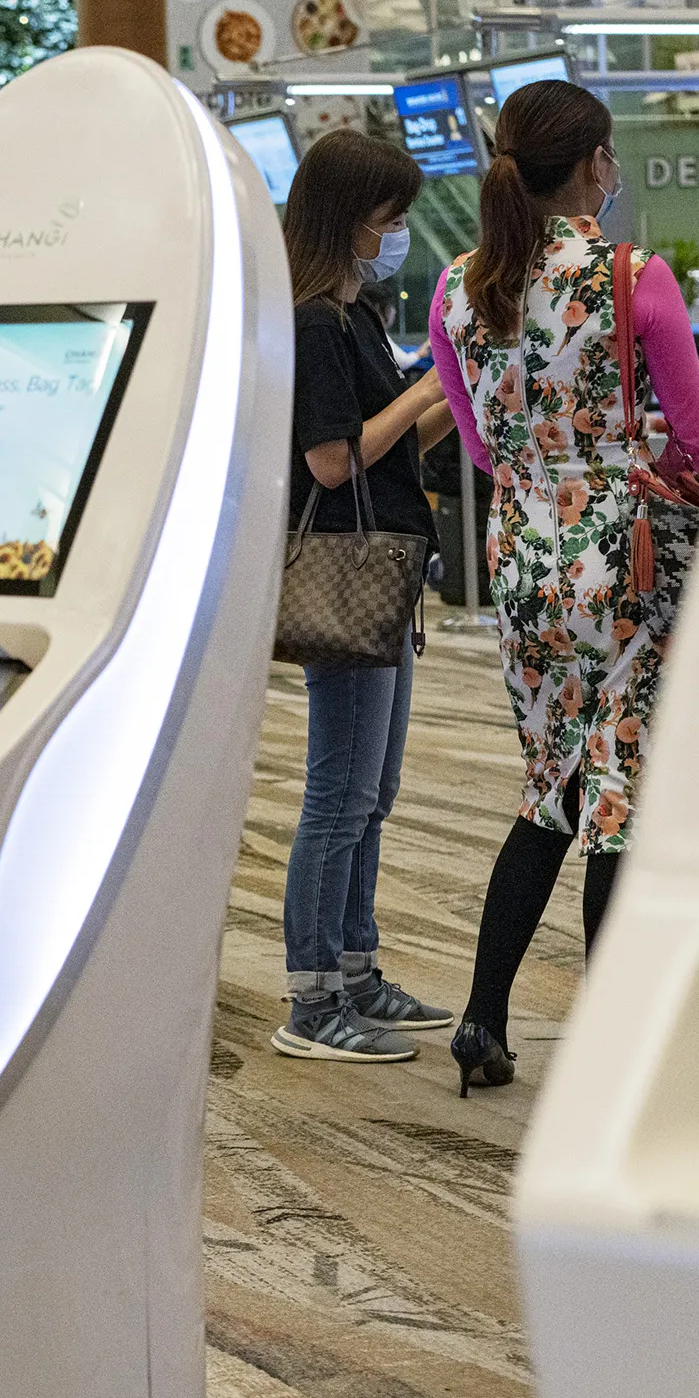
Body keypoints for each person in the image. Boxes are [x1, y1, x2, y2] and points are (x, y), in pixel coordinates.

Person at [426, 81, 699, 1096]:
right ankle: (609, 1041)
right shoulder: (631, 276)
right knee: (619, 798)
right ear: (593, 161)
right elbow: (695, 439)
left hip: (522, 560)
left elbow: (472, 443)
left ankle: (482, 1018)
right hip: (623, 558)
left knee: (550, 785)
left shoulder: (458, 287)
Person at [271, 129, 458, 1064]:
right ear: (350, 219)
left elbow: (390, 451)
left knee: (372, 790)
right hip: (348, 575)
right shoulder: (312, 320)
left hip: (385, 570)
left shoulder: (357, 314)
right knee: (339, 794)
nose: (398, 232)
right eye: (389, 217)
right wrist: (426, 383)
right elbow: (335, 459)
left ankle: (355, 969)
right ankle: (310, 999)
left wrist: (444, 389)